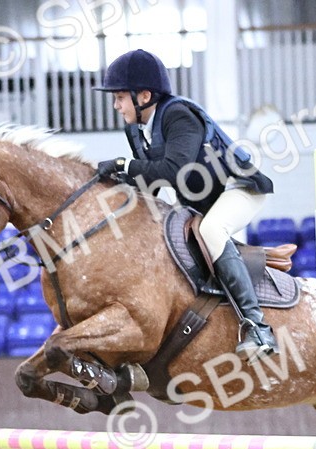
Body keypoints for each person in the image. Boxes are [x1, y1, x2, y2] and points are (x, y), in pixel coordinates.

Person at [94, 49, 278, 363]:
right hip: (197, 197)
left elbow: (173, 169)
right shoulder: (136, 129)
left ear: (145, 96)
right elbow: (149, 183)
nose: (116, 105)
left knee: (211, 230)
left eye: (121, 97)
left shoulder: (178, 114)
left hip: (237, 187)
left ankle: (259, 328)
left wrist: (125, 164)